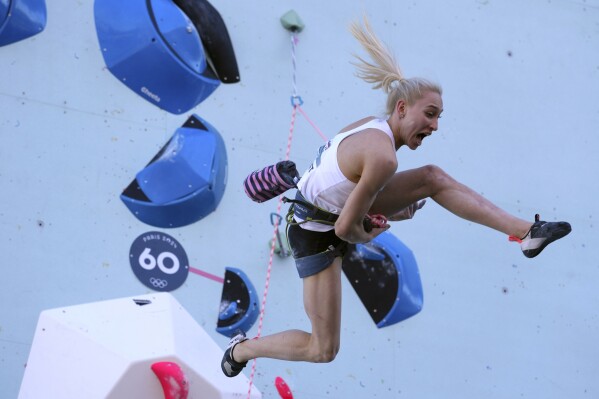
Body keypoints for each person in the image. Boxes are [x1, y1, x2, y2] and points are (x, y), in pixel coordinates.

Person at [221, 16, 572, 377]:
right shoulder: (384, 156)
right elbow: (345, 228)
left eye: (439, 117)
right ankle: (242, 349)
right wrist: (370, 231)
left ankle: (526, 232)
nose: (435, 126)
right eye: (430, 114)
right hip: (316, 233)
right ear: (402, 108)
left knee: (432, 178)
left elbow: (345, 187)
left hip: (326, 210)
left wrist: (377, 212)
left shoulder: (369, 128)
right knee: (322, 349)